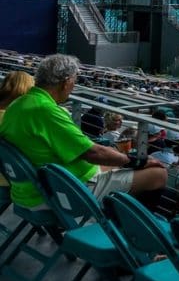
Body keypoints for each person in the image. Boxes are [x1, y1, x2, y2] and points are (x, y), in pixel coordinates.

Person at [0, 54, 166, 208]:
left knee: (112, 164)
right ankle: (135, 229)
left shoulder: (18, 104)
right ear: (66, 82)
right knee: (158, 174)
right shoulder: (45, 110)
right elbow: (92, 153)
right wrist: (137, 161)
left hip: (32, 188)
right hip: (60, 193)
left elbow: (83, 150)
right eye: (74, 81)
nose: (73, 86)